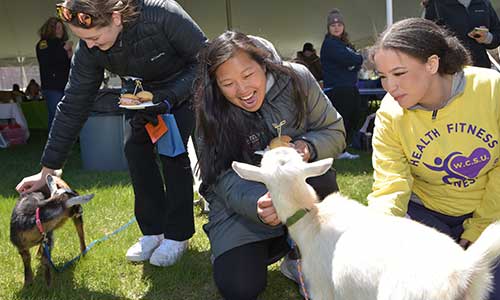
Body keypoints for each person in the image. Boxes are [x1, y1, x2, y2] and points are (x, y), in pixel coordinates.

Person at [16, 0, 207, 267]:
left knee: (173, 155)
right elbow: (73, 103)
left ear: (116, 18)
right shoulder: (90, 47)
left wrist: (167, 96)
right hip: (138, 96)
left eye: (94, 37)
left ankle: (177, 235)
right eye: (84, 39)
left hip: (181, 92)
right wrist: (49, 170)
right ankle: (153, 231)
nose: (90, 45)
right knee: (135, 151)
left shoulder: (162, 13)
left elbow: (205, 60)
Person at [193, 31, 346, 300]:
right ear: (216, 84)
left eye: (248, 75)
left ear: (264, 64)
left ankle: (299, 256)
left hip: (299, 194)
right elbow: (218, 176)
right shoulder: (209, 107)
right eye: (227, 83)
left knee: (322, 181)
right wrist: (258, 204)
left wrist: (307, 148)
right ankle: (251, 248)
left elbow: (334, 130)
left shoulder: (297, 78)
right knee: (240, 286)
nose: (242, 90)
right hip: (242, 208)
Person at [368, 18, 500, 299]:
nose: (390, 86)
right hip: (425, 213)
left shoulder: (492, 89)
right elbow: (391, 182)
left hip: (491, 212)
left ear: (432, 63)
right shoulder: (390, 113)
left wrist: (482, 225)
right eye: (382, 76)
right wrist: (377, 232)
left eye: (400, 73)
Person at [320, 8, 363, 160]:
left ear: (343, 26)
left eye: (339, 25)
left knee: (354, 117)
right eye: (333, 25)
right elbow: (354, 59)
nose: (336, 27)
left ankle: (343, 147)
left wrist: (353, 61)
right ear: (328, 28)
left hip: (348, 87)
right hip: (337, 89)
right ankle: (339, 151)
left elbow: (355, 61)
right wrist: (353, 61)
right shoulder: (330, 44)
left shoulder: (343, 44)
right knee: (343, 120)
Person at [423, 0, 500, 69]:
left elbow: (497, 33)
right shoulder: (435, 4)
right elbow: (426, 38)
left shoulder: (484, 3)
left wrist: (487, 38)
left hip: (481, 68)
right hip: (450, 70)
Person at [36, 17, 73, 130]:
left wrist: (70, 56)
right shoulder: (43, 44)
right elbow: (47, 61)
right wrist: (64, 50)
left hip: (65, 85)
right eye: (56, 28)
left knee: (66, 116)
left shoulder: (61, 44)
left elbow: (68, 66)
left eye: (61, 28)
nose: (59, 30)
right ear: (50, 29)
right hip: (52, 87)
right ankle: (54, 145)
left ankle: (64, 143)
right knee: (56, 116)